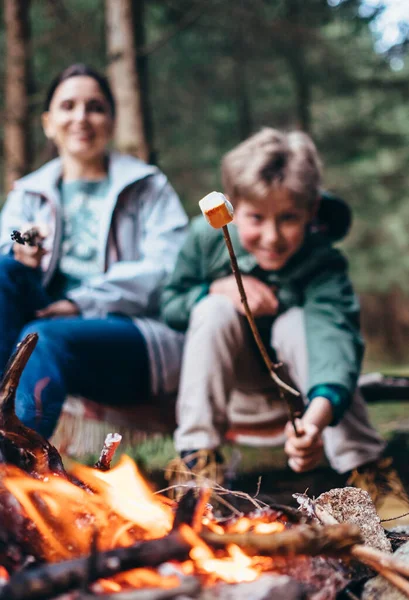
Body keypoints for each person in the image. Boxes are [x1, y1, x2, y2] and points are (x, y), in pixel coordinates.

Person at [161, 127, 409, 524]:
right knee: (212, 310)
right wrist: (214, 288)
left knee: (298, 322)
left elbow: (334, 343)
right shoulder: (205, 240)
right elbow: (171, 304)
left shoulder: (322, 261)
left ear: (311, 212)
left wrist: (314, 421)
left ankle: (368, 471)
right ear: (232, 207)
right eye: (256, 218)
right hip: (233, 397)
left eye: (289, 218)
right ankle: (197, 461)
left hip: (305, 402)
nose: (272, 237)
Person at [0, 63, 188, 439]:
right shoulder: (29, 192)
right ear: (48, 122)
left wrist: (79, 303)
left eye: (95, 107)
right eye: (68, 106)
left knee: (42, 336)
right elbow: (11, 240)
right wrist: (25, 249)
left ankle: (18, 462)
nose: (81, 118)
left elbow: (166, 268)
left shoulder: (148, 186)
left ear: (112, 121)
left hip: (132, 338)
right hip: (43, 325)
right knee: (3, 271)